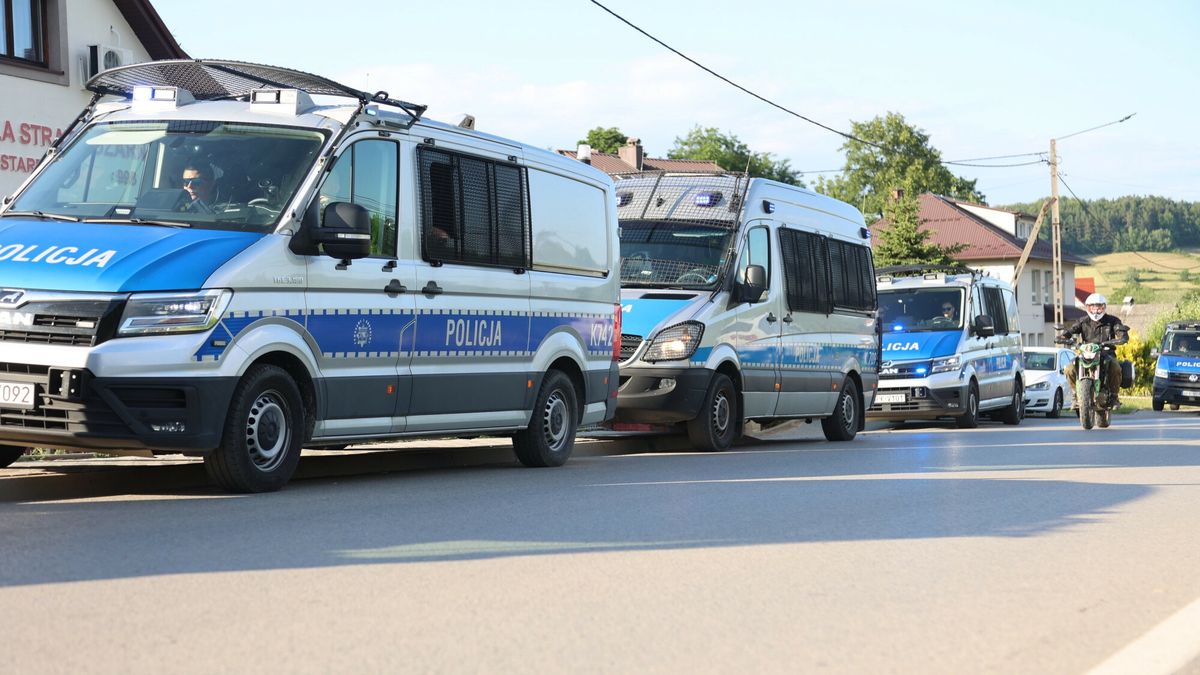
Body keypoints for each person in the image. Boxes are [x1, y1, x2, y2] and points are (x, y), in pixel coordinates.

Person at [1060, 293, 1128, 407]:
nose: (1096, 310)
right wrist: (1063, 336)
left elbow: (1120, 332)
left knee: (1115, 367)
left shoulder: (1112, 320)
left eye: (1099, 306)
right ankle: (1076, 396)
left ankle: (1114, 397)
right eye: (1093, 306)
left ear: (1104, 307)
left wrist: (1122, 337)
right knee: (1069, 369)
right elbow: (1072, 330)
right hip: (1086, 353)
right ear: (1088, 307)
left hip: (1106, 353)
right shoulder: (1083, 321)